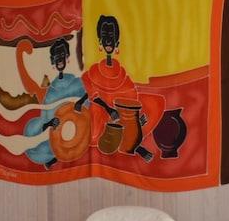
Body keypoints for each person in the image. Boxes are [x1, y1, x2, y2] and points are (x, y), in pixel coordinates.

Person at [78, 14, 162, 161]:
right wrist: (109, 109)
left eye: (111, 36)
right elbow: (92, 95)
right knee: (94, 125)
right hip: (102, 112)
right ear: (100, 40)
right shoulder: (93, 71)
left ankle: (133, 142)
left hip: (121, 113)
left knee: (154, 103)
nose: (108, 40)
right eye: (105, 36)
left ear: (117, 42)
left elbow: (131, 95)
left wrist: (135, 116)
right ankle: (134, 145)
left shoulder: (122, 74)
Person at [13, 34, 90, 165]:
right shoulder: (51, 91)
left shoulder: (76, 82)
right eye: (56, 57)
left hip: (75, 129)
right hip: (55, 134)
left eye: (62, 55)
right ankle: (55, 155)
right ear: (52, 61)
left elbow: (88, 95)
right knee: (35, 145)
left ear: (67, 57)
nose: (59, 60)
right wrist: (49, 123)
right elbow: (45, 119)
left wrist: (80, 102)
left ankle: (58, 155)